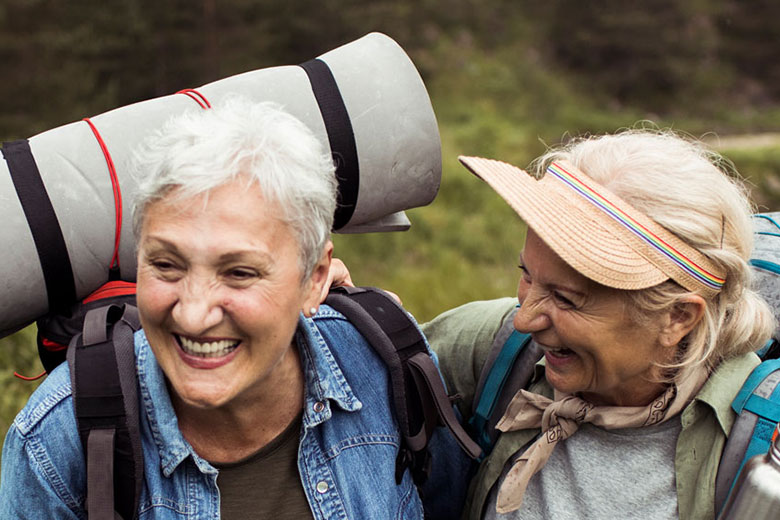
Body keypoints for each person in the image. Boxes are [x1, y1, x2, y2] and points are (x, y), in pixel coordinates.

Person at [0, 98, 468, 519]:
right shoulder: (55, 442)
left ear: (316, 278)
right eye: (166, 265)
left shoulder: (384, 366)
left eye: (239, 273)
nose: (193, 315)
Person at [419, 129, 776, 519]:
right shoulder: (497, 349)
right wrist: (347, 310)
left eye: (566, 299)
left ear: (678, 317)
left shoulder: (757, 444)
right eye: (527, 275)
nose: (525, 319)